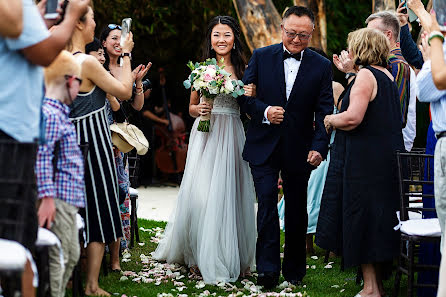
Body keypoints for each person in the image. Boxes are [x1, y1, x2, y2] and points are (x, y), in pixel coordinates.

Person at [154, 15, 257, 284]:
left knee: (229, 192)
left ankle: (233, 255)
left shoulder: (245, 69)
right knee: (202, 194)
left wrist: (250, 97)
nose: (221, 40)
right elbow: (191, 107)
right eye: (216, 35)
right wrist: (198, 110)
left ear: (234, 39)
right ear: (210, 41)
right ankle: (199, 254)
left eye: (226, 35)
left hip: (232, 134)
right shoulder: (201, 69)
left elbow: (249, 110)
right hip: (206, 134)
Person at [239, 6, 333, 289]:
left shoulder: (321, 65)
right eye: (291, 33)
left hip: (300, 148)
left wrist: (320, 147)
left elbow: (324, 110)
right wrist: (265, 112)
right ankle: (267, 271)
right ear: (281, 28)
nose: (296, 40)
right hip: (263, 145)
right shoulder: (260, 56)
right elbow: (243, 98)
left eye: (303, 35)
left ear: (312, 32)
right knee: (266, 204)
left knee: (296, 209)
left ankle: (294, 271)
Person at [0, 0, 89, 295]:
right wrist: (73, 15)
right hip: (9, 132)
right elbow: (43, 53)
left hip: (17, 131)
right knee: (13, 246)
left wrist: (40, 21)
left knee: (20, 243)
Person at [316, 28, 405, 297]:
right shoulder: (387, 75)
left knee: (363, 220)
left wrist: (330, 120)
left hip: (365, 163)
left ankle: (370, 289)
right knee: (377, 221)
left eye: (353, 47)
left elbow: (353, 118)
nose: (350, 51)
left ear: (362, 48)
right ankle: (375, 286)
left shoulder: (366, 75)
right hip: (384, 159)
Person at [67, 5, 135, 296]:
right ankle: (92, 284)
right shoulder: (87, 63)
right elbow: (124, 92)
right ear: (81, 25)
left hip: (68, 140)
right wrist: (128, 54)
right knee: (98, 206)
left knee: (72, 208)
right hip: (93, 142)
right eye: (92, 18)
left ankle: (71, 276)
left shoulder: (57, 59)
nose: (95, 23)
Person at [100, 24, 150, 269]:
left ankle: (119, 245)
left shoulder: (125, 66)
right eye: (113, 38)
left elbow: (137, 105)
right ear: (103, 43)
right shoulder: (94, 65)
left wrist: (137, 84)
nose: (118, 42)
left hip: (119, 139)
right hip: (100, 131)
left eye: (122, 38)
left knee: (120, 191)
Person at [36, 50, 85, 297]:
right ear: (68, 80)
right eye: (79, 81)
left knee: (70, 254)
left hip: (66, 199)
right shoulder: (52, 115)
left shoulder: (58, 113)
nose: (80, 87)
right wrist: (46, 198)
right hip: (58, 199)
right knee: (61, 256)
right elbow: (42, 157)